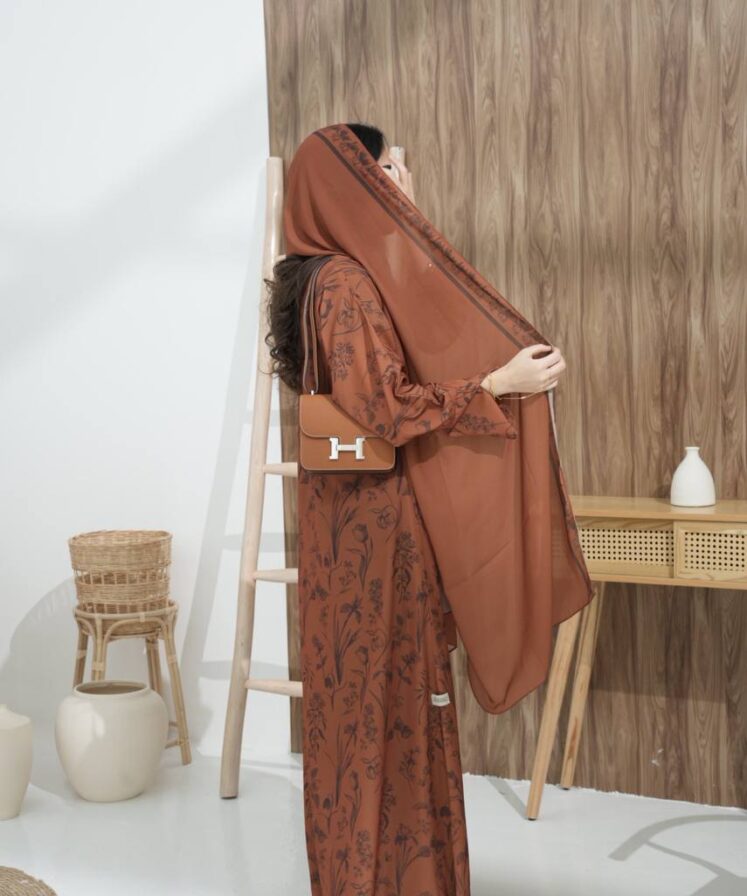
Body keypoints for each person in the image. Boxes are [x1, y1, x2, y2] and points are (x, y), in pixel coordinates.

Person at [266, 122, 593, 896]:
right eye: (384, 170)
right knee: (393, 699)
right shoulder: (346, 285)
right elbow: (385, 405)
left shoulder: (320, 276)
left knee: (364, 706)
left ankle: (374, 875)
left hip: (343, 528)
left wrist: (401, 225)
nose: (400, 180)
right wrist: (498, 385)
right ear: (346, 187)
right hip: (376, 533)